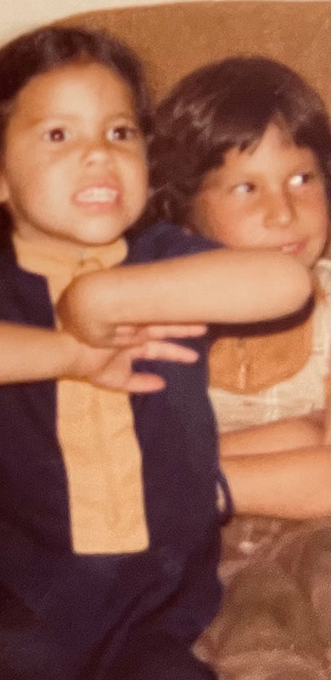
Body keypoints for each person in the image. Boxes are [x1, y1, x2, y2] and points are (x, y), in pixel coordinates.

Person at [0, 26, 313, 679]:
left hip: (155, 611)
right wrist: (69, 354)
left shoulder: (164, 264)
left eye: (120, 133)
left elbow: (285, 283)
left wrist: (105, 297)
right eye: (59, 135)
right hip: (6, 604)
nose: (98, 155)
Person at [148, 55, 330, 677]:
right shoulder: (158, 310)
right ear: (186, 211)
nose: (284, 212)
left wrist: (185, 481)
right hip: (189, 555)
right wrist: (299, 439)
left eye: (303, 178)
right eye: (247, 188)